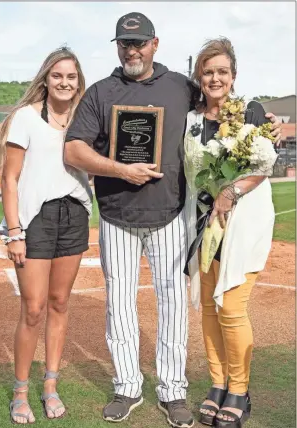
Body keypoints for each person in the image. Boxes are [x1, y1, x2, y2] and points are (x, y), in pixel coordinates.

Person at [64, 13, 282, 428]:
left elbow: (229, 112)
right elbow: (73, 150)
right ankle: (127, 386)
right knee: (121, 306)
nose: (133, 50)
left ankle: (173, 390)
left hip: (170, 217)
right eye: (125, 43)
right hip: (116, 215)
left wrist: (264, 120)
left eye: (140, 43)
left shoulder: (181, 87)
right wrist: (120, 169)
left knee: (175, 304)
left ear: (155, 44)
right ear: (117, 46)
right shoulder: (101, 92)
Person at [0, 47, 93, 424]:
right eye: (58, 76)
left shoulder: (85, 119)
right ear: (46, 79)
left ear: (78, 81)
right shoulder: (25, 117)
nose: (65, 82)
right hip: (35, 219)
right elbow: (9, 177)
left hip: (74, 214)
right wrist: (14, 232)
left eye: (71, 77)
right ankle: (20, 392)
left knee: (59, 303)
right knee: (33, 308)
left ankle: (50, 386)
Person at [184, 38, 276, 428]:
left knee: (232, 308)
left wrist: (231, 191)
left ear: (233, 76)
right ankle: (218, 384)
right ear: (199, 77)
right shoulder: (190, 120)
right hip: (204, 224)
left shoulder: (251, 113)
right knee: (208, 308)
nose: (215, 78)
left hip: (243, 222)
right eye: (208, 71)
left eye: (222, 71)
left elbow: (262, 165)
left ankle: (239, 390)